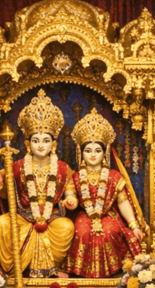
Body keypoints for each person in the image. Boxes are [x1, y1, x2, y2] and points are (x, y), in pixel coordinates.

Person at [0, 89, 77, 278]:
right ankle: (17, 269)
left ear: (53, 144)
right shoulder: (17, 166)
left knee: (67, 226)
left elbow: (70, 192)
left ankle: (53, 268)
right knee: (2, 223)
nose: (41, 145)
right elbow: (8, 196)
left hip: (52, 217)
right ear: (28, 144)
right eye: (36, 140)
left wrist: (71, 201)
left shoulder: (62, 168)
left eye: (46, 140)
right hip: (24, 216)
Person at [63, 108, 147, 278]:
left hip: (108, 214)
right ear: (81, 152)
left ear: (105, 152)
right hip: (85, 214)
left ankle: (113, 272)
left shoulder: (114, 176)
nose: (93, 155)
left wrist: (134, 225)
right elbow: (70, 195)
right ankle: (80, 272)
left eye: (97, 150)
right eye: (88, 151)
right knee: (81, 231)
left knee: (110, 231)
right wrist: (70, 202)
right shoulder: (76, 177)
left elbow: (123, 202)